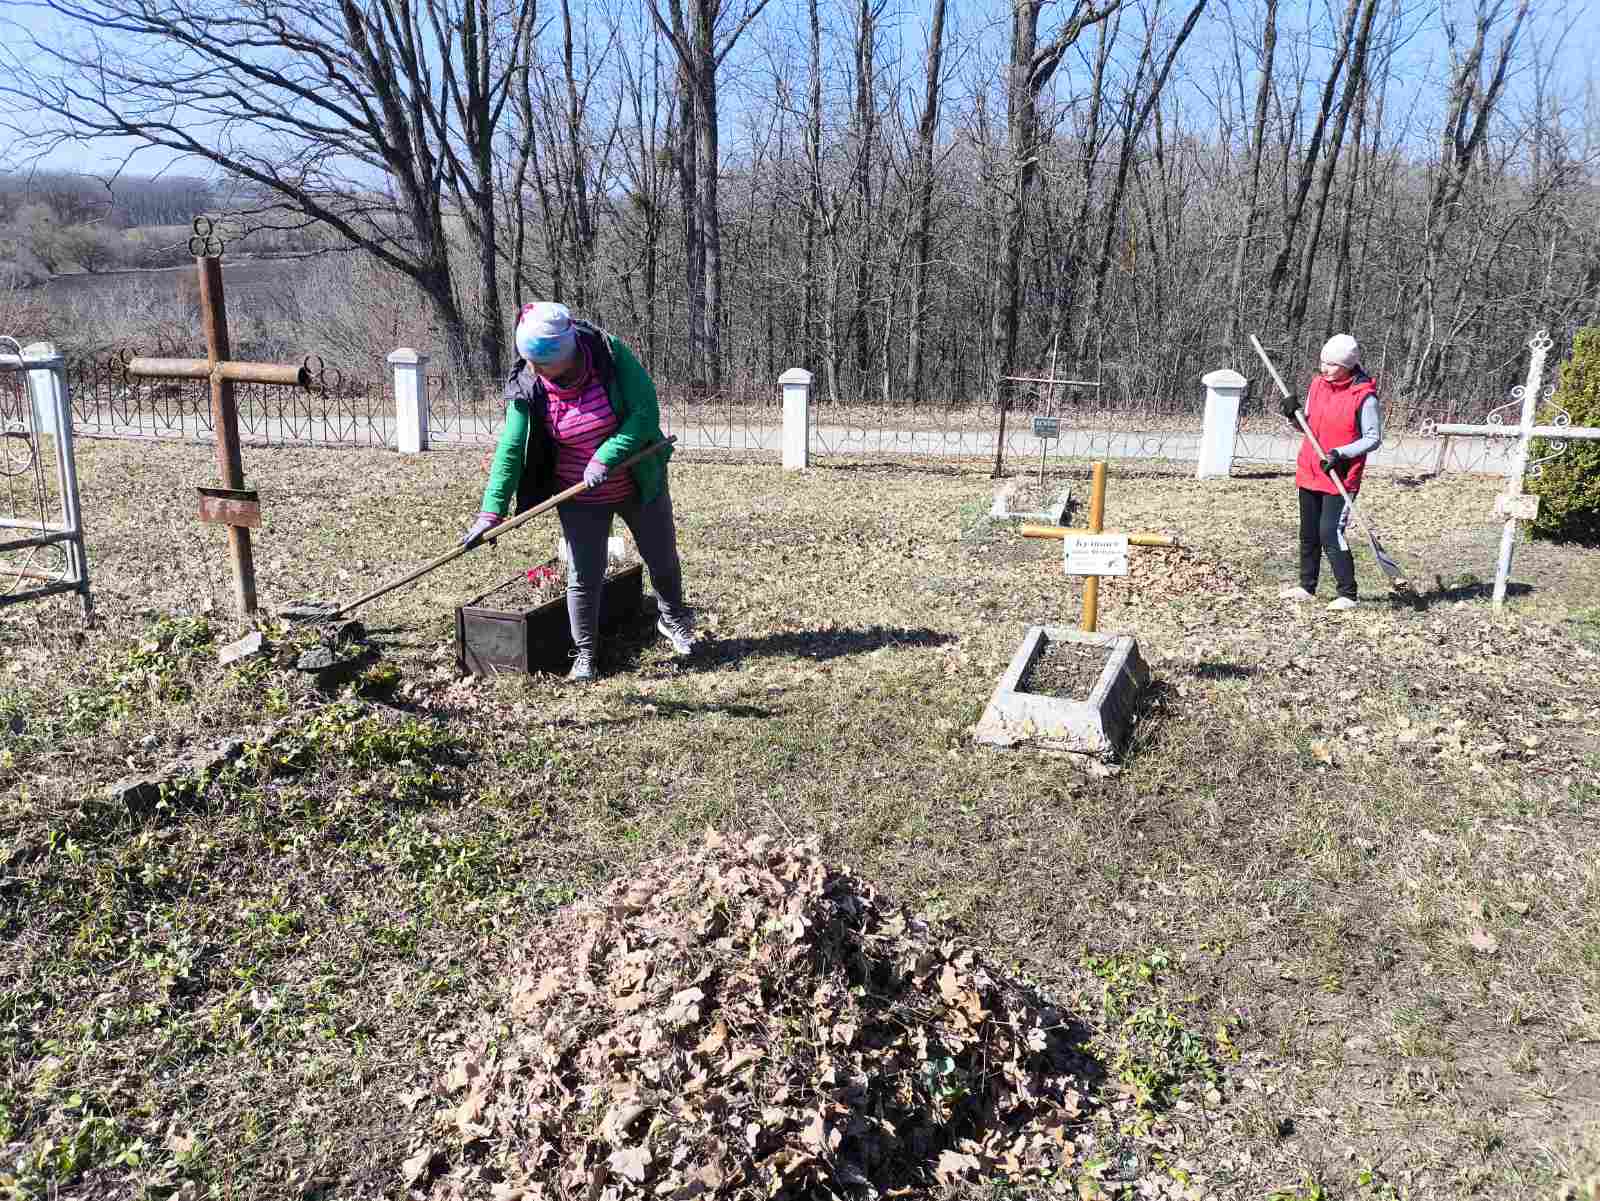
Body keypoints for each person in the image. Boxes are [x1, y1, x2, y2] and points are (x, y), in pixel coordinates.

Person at [460, 302, 695, 682]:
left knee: (661, 557)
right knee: (583, 575)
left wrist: (605, 457)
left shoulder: (609, 354)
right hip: (578, 494)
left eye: (541, 363)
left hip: (638, 480)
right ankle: (585, 654)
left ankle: (673, 620)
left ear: (566, 356)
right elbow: (511, 448)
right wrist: (491, 512)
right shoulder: (529, 382)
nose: (534, 370)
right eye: (529, 361)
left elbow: (644, 413)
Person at [1277, 333, 1383, 612]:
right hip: (1311, 469)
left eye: (1332, 364)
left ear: (1348, 365)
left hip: (1340, 475)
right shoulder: (1318, 385)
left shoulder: (1364, 396)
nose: (1324, 369)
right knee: (1309, 532)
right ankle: (1306, 586)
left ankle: (1347, 593)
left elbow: (1373, 438)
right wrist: (1293, 415)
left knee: (1329, 532)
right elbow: (1308, 428)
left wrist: (1341, 453)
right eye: (1322, 362)